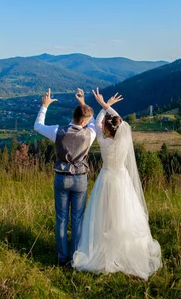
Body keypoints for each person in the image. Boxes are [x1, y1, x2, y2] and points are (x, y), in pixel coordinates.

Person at [72, 88, 162, 280]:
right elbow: (119, 121)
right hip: (121, 179)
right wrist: (107, 105)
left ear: (106, 128)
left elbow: (95, 122)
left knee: (103, 215)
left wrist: (101, 106)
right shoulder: (123, 138)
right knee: (123, 214)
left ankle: (104, 251)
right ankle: (123, 250)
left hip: (106, 179)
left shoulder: (103, 142)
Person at [33, 88, 96, 266]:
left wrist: (44, 107)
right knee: (77, 219)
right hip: (80, 179)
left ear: (74, 116)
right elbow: (92, 121)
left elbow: (37, 126)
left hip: (61, 177)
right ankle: (75, 257)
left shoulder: (58, 131)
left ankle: (62, 258)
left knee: (61, 219)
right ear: (83, 120)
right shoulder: (89, 134)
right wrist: (82, 102)